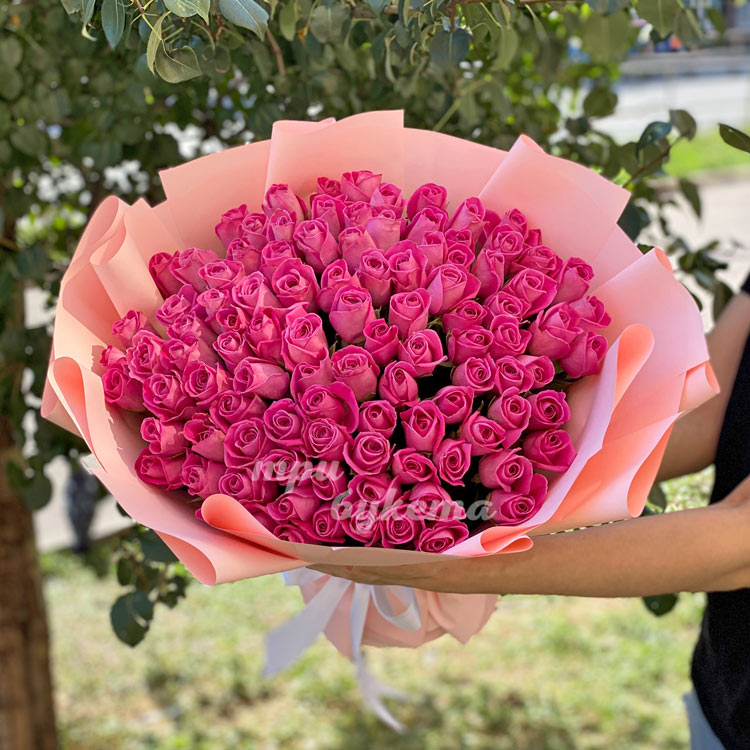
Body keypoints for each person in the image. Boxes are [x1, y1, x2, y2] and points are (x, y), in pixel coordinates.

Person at [313, 278, 750, 750]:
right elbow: (707, 419)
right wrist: (507, 474)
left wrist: (454, 565)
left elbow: (740, 539)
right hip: (722, 685)